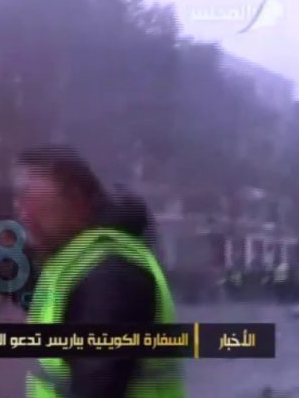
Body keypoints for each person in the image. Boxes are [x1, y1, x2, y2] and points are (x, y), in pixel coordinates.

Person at [13, 146, 184, 398]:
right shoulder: (79, 263)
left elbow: (98, 384)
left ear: (75, 198)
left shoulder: (109, 275)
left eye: (27, 193)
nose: (20, 209)